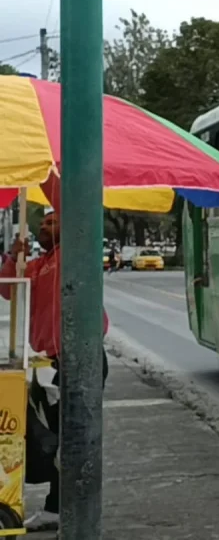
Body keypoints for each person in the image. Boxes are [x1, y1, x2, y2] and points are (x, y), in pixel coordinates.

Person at [0, 212, 110, 530]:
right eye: (44, 223)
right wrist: (13, 255)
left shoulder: (74, 255)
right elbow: (8, 290)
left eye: (53, 221)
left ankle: (75, 513)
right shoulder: (40, 263)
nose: (45, 226)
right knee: (59, 439)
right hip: (53, 361)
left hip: (80, 357)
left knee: (73, 440)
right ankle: (57, 508)